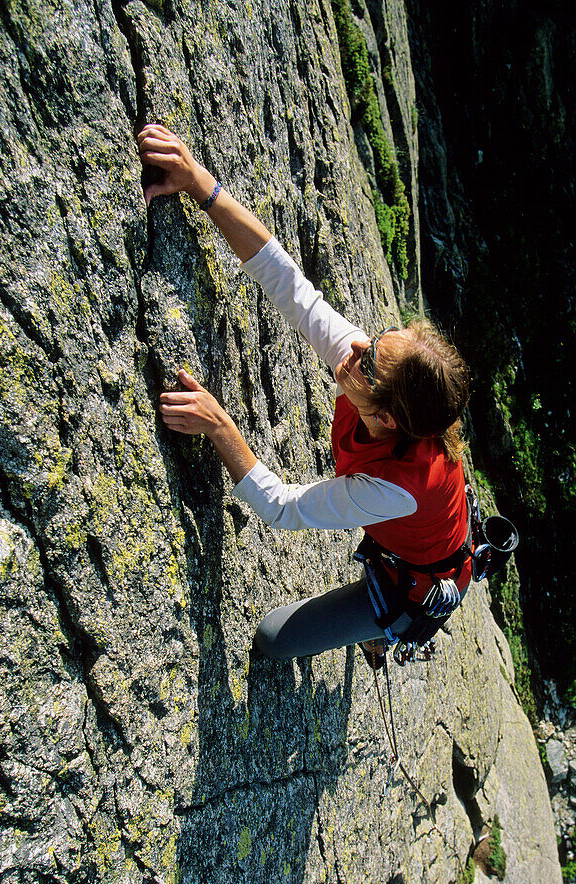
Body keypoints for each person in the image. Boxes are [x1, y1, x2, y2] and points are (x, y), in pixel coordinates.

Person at [136, 125, 472, 664]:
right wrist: (202, 184)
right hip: (415, 531)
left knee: (273, 641)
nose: (357, 348)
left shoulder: (394, 487)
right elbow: (291, 287)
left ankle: (383, 630)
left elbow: (285, 508)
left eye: (369, 361)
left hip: (414, 580)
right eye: (380, 338)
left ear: (386, 417)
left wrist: (220, 425)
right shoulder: (373, 369)